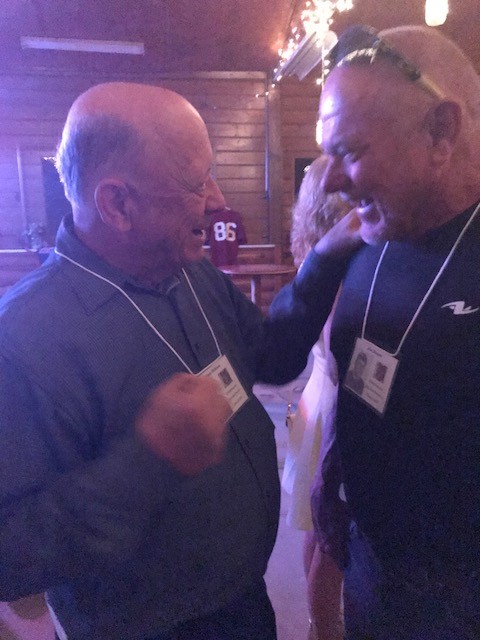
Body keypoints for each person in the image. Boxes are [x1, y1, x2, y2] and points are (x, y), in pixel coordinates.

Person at [0, 82, 350, 640]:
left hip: (245, 604)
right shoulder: (22, 337)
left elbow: (273, 358)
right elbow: (13, 554)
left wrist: (325, 260)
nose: (217, 199)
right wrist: (151, 459)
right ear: (117, 204)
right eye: (196, 182)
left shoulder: (193, 273)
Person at [309, 24, 480, 640]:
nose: (328, 181)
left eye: (350, 150)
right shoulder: (371, 236)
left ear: (440, 133)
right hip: (373, 574)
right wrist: (336, 473)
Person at [282, 156, 348, 640]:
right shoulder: (341, 263)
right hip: (334, 406)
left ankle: (316, 625)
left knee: (316, 525)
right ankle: (324, 629)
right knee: (333, 539)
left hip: (315, 398)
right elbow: (341, 355)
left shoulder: (314, 253)